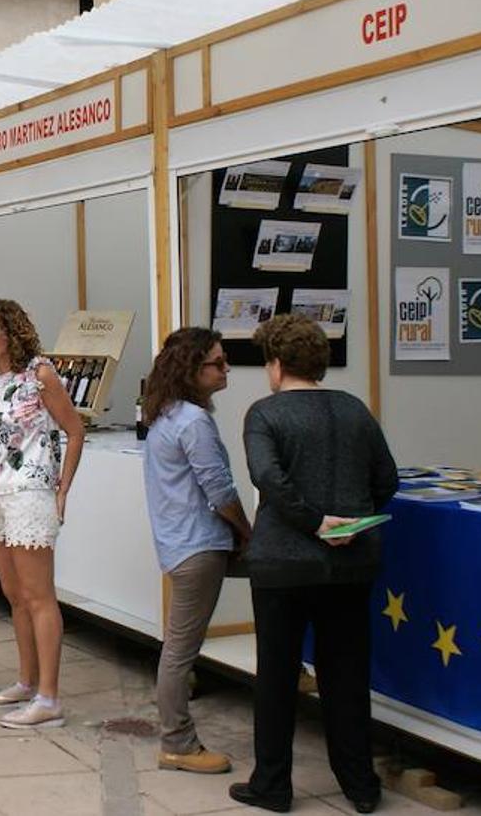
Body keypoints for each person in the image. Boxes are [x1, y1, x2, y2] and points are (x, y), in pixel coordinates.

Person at [230, 315, 398, 815]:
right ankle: (360, 785)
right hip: (352, 563)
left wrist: (314, 521)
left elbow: (267, 479)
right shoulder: (354, 410)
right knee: (346, 674)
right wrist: (350, 518)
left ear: (276, 365)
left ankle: (273, 784)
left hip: (283, 563)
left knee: (277, 675)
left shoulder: (265, 414)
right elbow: (387, 477)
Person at [0, 299, 84, 729]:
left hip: (30, 493)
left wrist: (63, 490)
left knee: (38, 595)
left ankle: (50, 696)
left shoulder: (39, 374)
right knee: (13, 593)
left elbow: (74, 429)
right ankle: (28, 681)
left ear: (12, 331)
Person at [142, 327, 250, 773]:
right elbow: (219, 489)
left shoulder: (167, 414)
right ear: (192, 368)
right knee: (180, 649)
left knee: (179, 645)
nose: (226, 370)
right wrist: (247, 530)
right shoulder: (192, 421)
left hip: (184, 542)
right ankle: (178, 743)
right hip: (198, 545)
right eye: (218, 363)